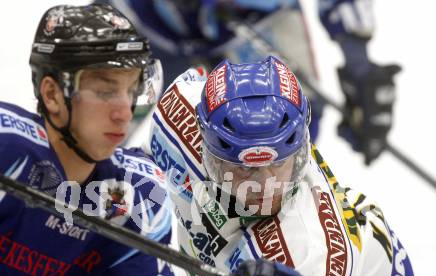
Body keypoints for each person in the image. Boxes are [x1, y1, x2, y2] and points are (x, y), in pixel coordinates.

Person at [0, 5, 313, 276]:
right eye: (104, 89)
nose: (123, 111)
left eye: (132, 88)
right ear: (52, 93)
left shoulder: (131, 200)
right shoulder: (7, 149)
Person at [141, 57, 424, 276]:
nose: (264, 186)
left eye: (278, 164)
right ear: (207, 150)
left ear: (300, 149)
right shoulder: (177, 118)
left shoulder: (308, 250)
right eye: (243, 168)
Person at [95, 0, 401, 164]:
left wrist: (357, 57)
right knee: (87, 116)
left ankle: (246, 239)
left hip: (255, 14)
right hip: (148, 14)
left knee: (287, 129)